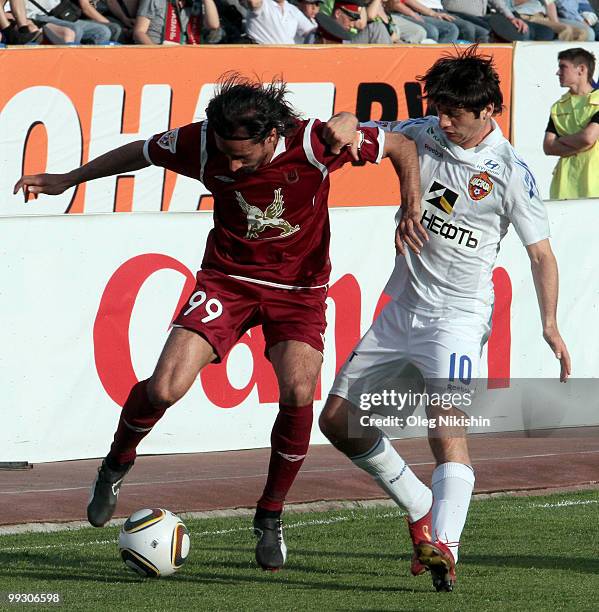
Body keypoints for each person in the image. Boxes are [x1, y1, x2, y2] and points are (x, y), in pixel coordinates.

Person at [14, 74, 420, 572]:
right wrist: (67, 179)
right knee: (164, 388)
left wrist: (411, 204)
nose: (229, 165)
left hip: (299, 291)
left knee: (298, 390)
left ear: (272, 136)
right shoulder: (201, 142)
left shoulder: (316, 143)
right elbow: (138, 153)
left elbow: (399, 144)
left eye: (241, 157)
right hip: (227, 280)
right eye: (224, 154)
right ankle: (116, 463)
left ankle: (270, 514)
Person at [320, 46, 571, 592]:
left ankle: (446, 545)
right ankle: (419, 505)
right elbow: (372, 132)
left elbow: (541, 255)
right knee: (336, 422)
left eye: (456, 112)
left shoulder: (511, 174)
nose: (445, 120)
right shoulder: (425, 131)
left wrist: (549, 324)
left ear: (488, 109)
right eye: (441, 108)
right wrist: (343, 123)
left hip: (457, 317)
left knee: (445, 424)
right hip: (401, 311)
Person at [544, 47, 599, 199]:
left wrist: (560, 141)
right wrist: (580, 144)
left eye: (563, 67)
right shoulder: (558, 106)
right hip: (564, 187)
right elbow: (548, 147)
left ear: (581, 69)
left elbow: (588, 137)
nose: (557, 72)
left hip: (594, 186)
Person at [134, 0, 221, 44]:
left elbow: (214, 25)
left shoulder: (197, 4)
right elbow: (139, 32)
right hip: (157, 52)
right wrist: (158, 53)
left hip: (188, 57)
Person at [242, 0, 316, 43]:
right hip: (263, 57)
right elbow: (253, 3)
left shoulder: (292, 9)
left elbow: (311, 32)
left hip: (289, 58)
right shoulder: (263, 3)